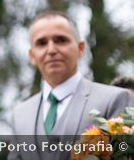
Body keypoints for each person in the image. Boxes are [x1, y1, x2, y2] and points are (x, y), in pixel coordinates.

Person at [8, 11, 134, 156]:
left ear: (80, 48)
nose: (51, 50)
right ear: (32, 56)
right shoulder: (20, 115)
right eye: (42, 43)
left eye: (61, 40)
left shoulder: (115, 100)